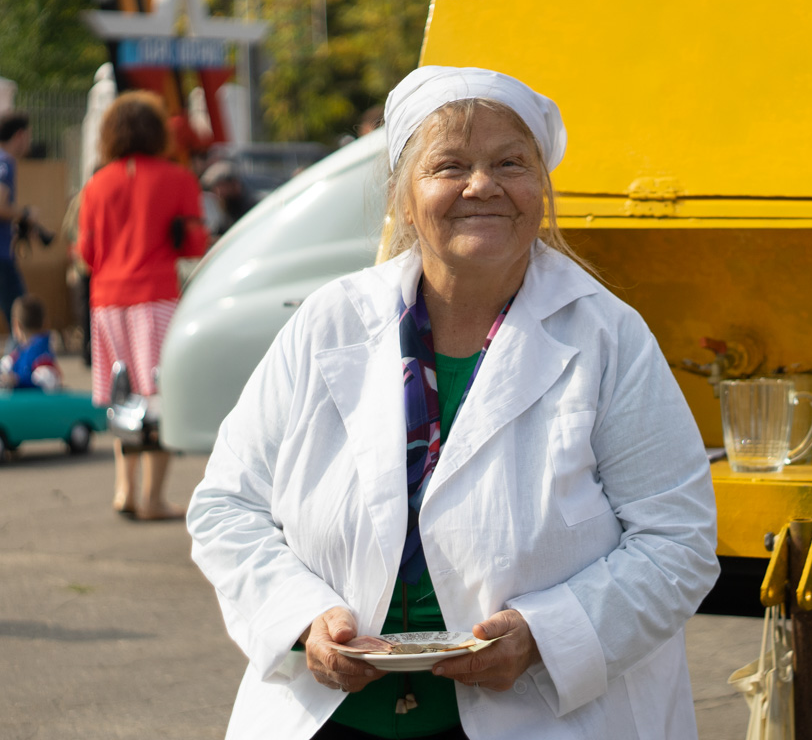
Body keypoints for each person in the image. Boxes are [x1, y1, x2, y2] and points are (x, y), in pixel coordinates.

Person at [187, 66, 719, 740]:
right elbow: (228, 506)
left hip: (542, 717)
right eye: (449, 165)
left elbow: (677, 538)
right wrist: (303, 620)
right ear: (404, 199)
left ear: (542, 190)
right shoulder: (329, 324)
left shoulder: (607, 336)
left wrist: (547, 635)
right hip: (333, 717)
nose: (482, 185)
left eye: (510, 163)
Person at [76, 91, 210, 521]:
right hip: (156, 297)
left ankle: (124, 490)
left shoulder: (96, 184)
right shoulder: (177, 178)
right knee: (157, 399)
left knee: (123, 397)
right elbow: (195, 242)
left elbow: (86, 253)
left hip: (107, 301)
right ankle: (152, 498)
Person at [0, 111, 31, 333]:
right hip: (1, 255)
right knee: (21, 317)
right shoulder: (5, 162)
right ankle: (20, 354)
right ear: (20, 135)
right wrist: (25, 214)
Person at [0, 295, 62, 391]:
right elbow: (6, 364)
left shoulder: (39, 353)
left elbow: (46, 378)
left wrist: (17, 380)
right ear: (45, 323)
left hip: (34, 398)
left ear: (17, 325)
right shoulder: (21, 350)